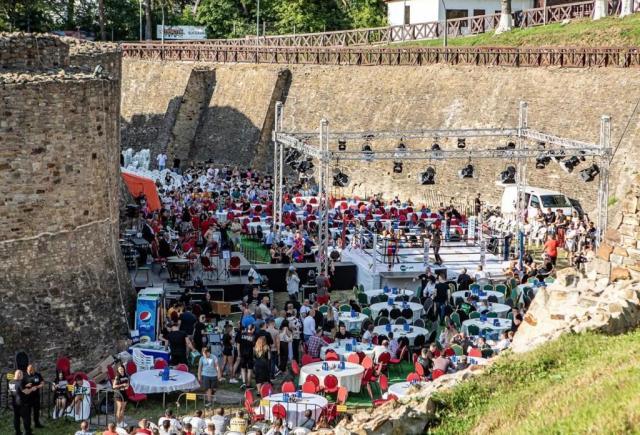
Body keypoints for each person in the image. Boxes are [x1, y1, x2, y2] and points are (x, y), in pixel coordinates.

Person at [10, 369, 34, 435]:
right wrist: (31, 389)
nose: (22, 376)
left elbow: (17, 388)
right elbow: (26, 392)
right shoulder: (20, 382)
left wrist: (26, 386)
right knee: (26, 418)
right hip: (22, 404)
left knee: (16, 418)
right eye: (22, 375)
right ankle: (27, 432)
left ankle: (17, 432)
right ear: (19, 374)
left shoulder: (11, 382)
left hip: (15, 403)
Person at [24, 365, 44, 429]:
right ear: (27, 370)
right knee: (28, 412)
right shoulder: (24, 376)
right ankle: (28, 426)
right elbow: (21, 386)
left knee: (36, 411)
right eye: (29, 370)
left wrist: (37, 387)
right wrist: (27, 386)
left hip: (36, 396)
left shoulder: (37, 374)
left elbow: (42, 383)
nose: (30, 372)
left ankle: (37, 423)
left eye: (31, 370)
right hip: (27, 397)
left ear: (33, 369)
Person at [238, 324, 256, 389]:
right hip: (250, 354)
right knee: (249, 369)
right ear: (253, 329)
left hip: (242, 354)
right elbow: (254, 348)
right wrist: (254, 355)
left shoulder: (242, 334)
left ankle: (243, 382)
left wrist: (239, 353)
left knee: (243, 368)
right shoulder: (253, 336)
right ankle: (248, 384)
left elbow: (238, 344)